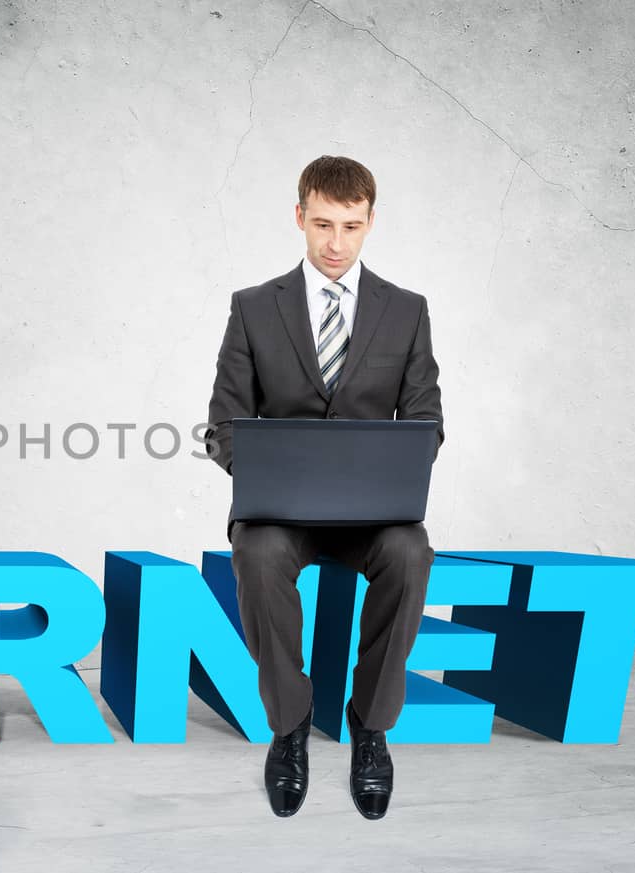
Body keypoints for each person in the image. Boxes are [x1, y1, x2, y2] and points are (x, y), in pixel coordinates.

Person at [202, 155, 444, 821]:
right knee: (253, 552)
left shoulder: (407, 311)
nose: (336, 243)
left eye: (352, 226)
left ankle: (371, 725)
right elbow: (222, 422)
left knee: (410, 552)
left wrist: (395, 467)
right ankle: (290, 726)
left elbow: (427, 421)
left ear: (371, 224)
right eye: (323, 224)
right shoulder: (254, 308)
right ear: (300, 217)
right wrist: (262, 468)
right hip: (281, 510)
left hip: (374, 513)